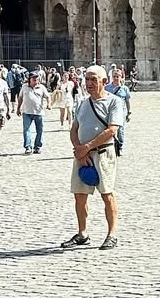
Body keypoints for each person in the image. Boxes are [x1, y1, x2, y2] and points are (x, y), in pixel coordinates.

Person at [61, 66, 125, 251]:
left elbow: (112, 130)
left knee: (107, 194)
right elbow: (74, 128)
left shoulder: (114, 102)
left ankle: (112, 234)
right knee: (79, 196)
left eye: (93, 80)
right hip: (83, 156)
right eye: (87, 79)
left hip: (103, 154)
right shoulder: (82, 102)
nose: (89, 83)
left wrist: (87, 147)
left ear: (104, 81)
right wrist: (79, 150)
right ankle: (82, 234)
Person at [20, 71, 50, 154]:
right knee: (26, 130)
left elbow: (48, 97)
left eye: (37, 78)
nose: (36, 80)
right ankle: (28, 147)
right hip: (26, 111)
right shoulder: (24, 87)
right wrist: (18, 108)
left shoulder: (41, 87)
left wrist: (49, 104)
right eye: (34, 78)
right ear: (30, 79)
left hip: (38, 112)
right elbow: (20, 98)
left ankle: (37, 146)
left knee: (39, 130)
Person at [105, 68, 133, 150]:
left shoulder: (125, 89)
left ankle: (120, 146)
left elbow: (127, 101)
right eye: (114, 76)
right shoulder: (107, 88)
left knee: (121, 130)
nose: (116, 78)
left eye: (118, 76)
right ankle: (110, 145)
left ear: (121, 77)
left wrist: (129, 112)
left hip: (121, 112)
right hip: (110, 112)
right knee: (109, 130)